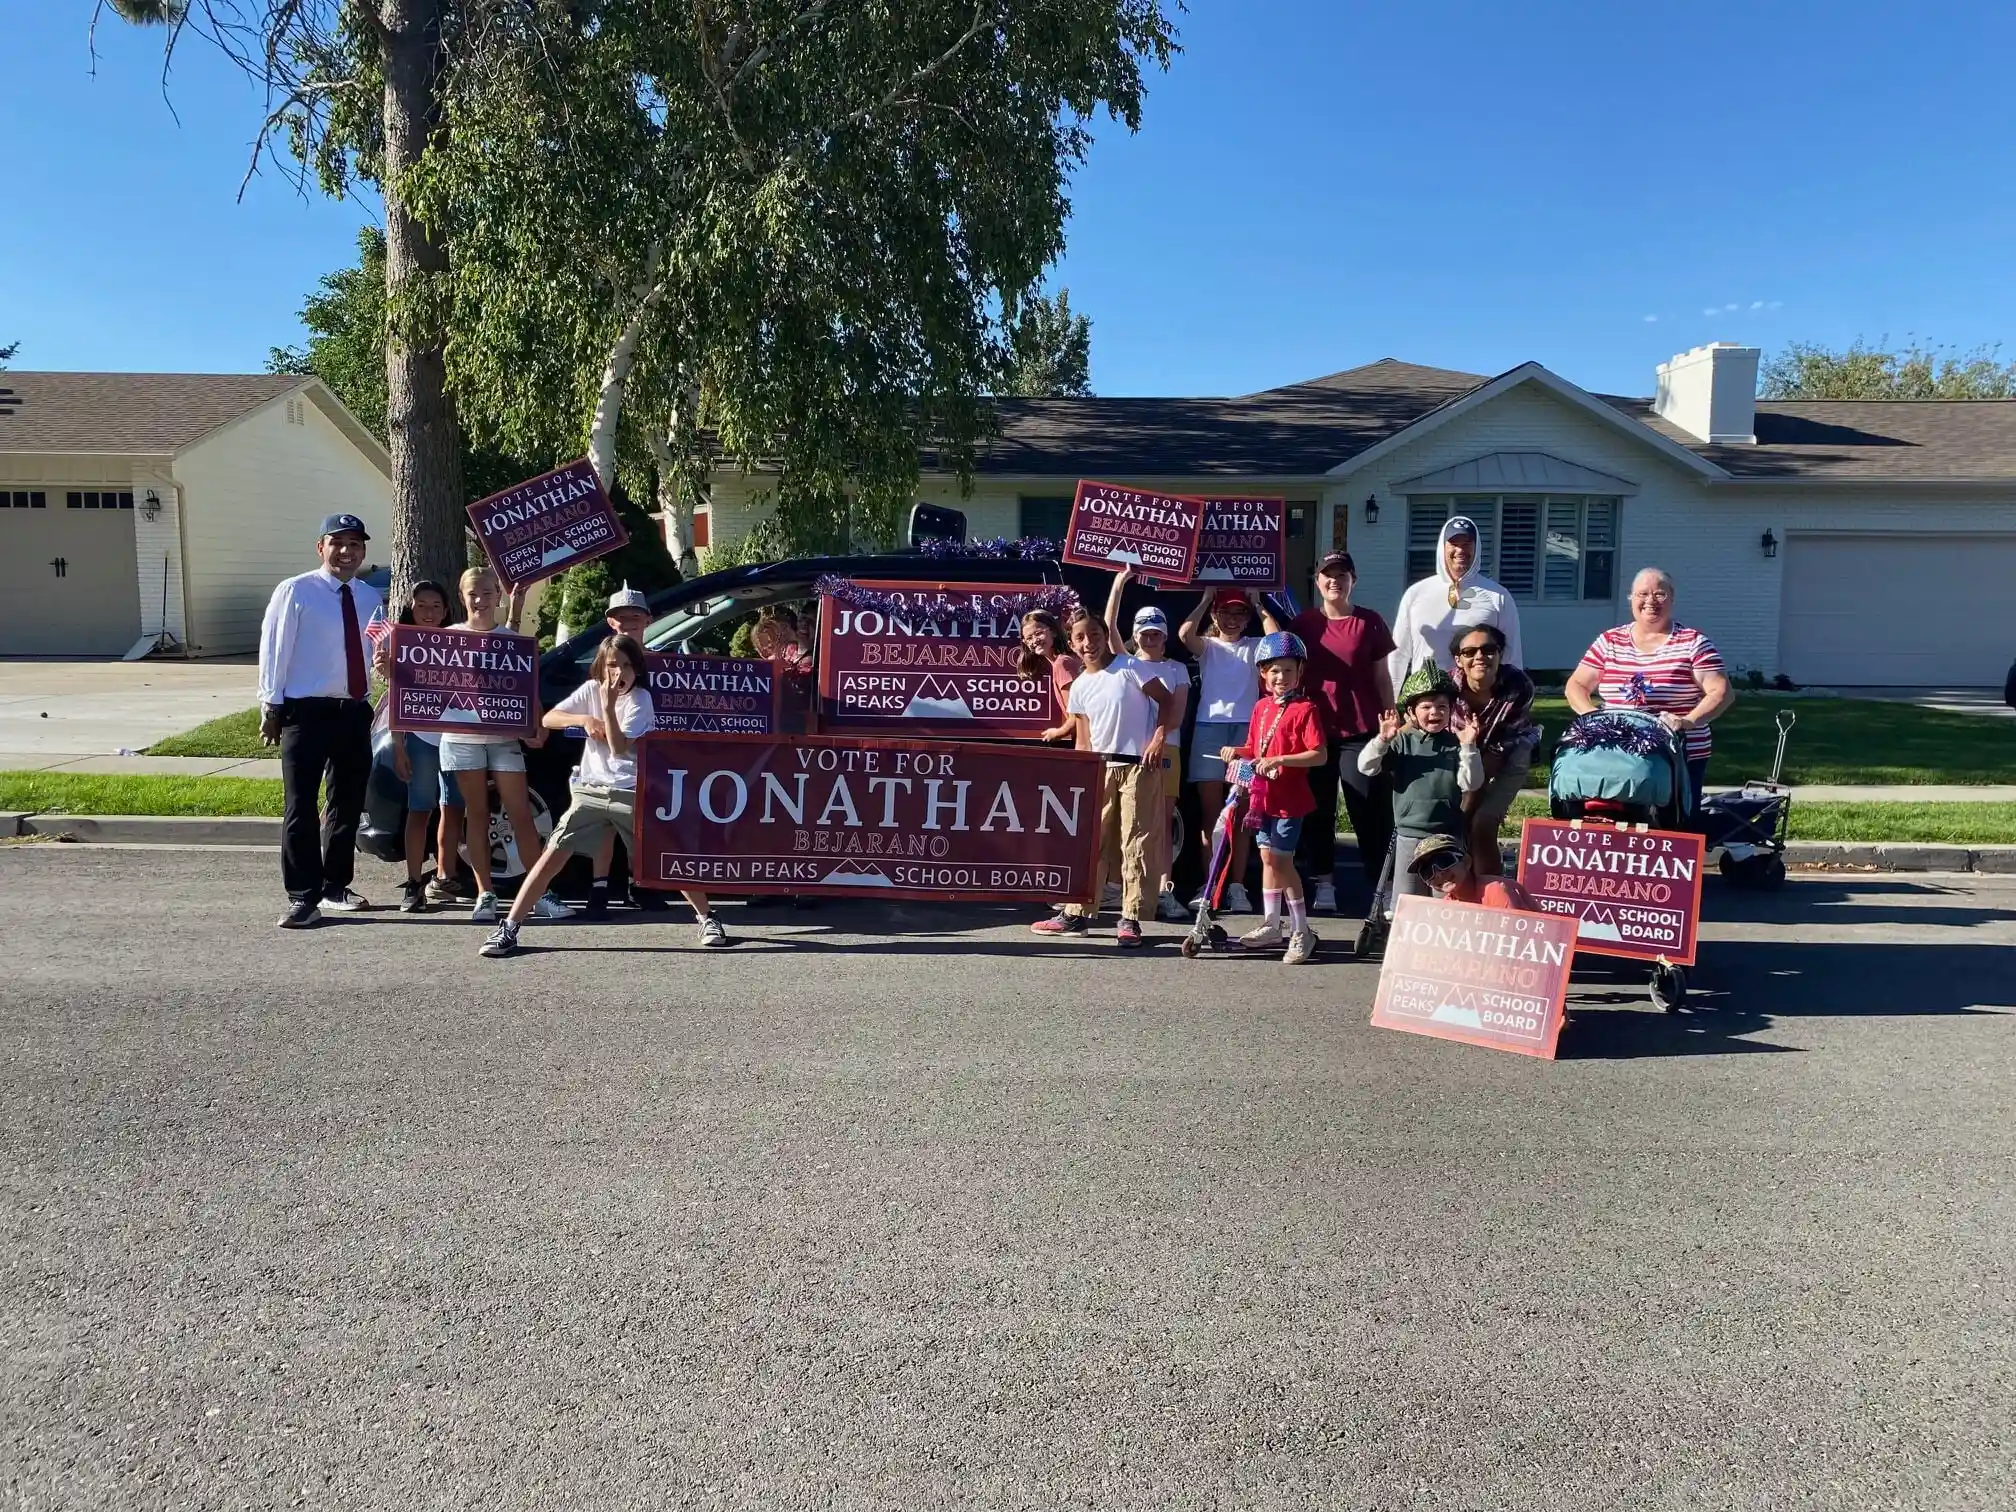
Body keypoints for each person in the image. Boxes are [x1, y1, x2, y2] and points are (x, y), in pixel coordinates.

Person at [481, 635, 727, 957]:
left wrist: (608, 708)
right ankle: (509, 928)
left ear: (637, 670)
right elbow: (548, 718)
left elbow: (618, 746)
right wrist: (583, 718)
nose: (619, 673)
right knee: (552, 855)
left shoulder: (641, 700)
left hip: (631, 793)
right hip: (590, 792)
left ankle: (708, 918)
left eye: (626, 665)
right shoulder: (589, 691)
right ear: (602, 667)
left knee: (667, 857)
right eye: (612, 665)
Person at [258, 512, 384, 928]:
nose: (347, 552)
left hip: (352, 712)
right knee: (300, 805)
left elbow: (374, 655)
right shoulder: (296, 591)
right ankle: (302, 893)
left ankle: (335, 886)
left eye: (355, 545)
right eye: (338, 544)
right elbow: (275, 648)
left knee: (346, 805)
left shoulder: (369, 598)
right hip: (304, 711)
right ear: (321, 548)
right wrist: (271, 705)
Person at [1030, 610, 1178, 948]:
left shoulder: (1130, 668)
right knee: (1090, 840)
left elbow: (1167, 702)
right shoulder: (1080, 685)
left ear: (1105, 634)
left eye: (1094, 635)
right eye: (1080, 637)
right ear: (1072, 642)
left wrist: (1158, 739)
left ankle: (1131, 917)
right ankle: (1076, 912)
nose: (1088, 643)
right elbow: (1083, 738)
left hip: (1138, 766)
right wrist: (1080, 773)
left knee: (1136, 841)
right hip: (1100, 767)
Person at [1263, 550, 1395, 915]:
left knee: (1368, 808)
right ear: (1317, 581)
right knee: (1316, 810)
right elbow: (1279, 657)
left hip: (1361, 729)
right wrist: (1259, 603)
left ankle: (1381, 888)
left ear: (1353, 580)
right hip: (1314, 731)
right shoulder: (1304, 623)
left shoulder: (1370, 622)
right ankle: (1324, 882)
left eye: (1342, 575)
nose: (1334, 581)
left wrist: (1391, 717)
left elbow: (1381, 676)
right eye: (1327, 575)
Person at [439, 566, 570, 925]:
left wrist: (536, 725)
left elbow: (525, 688)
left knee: (521, 815)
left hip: (504, 741)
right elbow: (425, 684)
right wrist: (389, 667)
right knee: (478, 815)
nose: (480, 600)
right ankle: (485, 894)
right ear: (462, 597)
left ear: (498, 595)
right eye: (472, 594)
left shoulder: (511, 640)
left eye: (486, 593)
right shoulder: (448, 638)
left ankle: (539, 893)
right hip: (462, 741)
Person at [1565, 567, 1734, 812]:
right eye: (1642, 594)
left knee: (1672, 829)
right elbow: (1576, 685)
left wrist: (1687, 721)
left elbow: (1721, 692)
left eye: (1659, 595)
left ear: (1672, 598)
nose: (1650, 602)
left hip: (1676, 756)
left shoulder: (1693, 642)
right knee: (1614, 824)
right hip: (1615, 753)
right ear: (1631, 599)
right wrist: (1592, 716)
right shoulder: (1610, 640)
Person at [1216, 631, 1327, 964]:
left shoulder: (1305, 709)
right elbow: (1256, 749)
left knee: (1281, 861)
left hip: (1289, 799)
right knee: (1267, 859)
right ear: (1263, 672)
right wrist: (1236, 751)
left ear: (1300, 672)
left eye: (1288, 671)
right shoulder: (1261, 707)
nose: (1281, 677)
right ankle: (1271, 923)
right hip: (1262, 798)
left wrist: (1282, 761)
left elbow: (1319, 754)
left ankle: (1301, 930)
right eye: (1274, 670)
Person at [1104, 567, 1192, 921]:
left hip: (1165, 749)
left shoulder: (1177, 669)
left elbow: (1177, 711)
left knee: (1161, 821)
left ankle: (1163, 889)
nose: (1149, 638)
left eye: (1156, 632)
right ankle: (1117, 887)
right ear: (1135, 635)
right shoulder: (1122, 661)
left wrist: (1158, 739)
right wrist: (1119, 582)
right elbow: (1109, 626)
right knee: (1118, 824)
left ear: (1165, 635)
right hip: (1125, 752)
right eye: (1144, 633)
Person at [1357, 662, 1485, 904]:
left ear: (1450, 711)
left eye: (1442, 706)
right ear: (1410, 713)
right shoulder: (1402, 742)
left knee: (1448, 898)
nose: (1434, 712)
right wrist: (1382, 740)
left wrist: (1469, 747)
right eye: (1426, 706)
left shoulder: (1456, 744)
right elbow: (1366, 767)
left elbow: (1471, 783)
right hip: (1409, 835)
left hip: (1447, 836)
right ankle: (1405, 941)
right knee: (1407, 901)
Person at [1178, 587, 1264, 913]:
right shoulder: (1209, 646)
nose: (1232, 619)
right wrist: (1204, 600)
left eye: (1240, 613)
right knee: (1211, 815)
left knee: (1241, 814)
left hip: (1245, 733)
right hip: (1209, 731)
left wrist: (1258, 604)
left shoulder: (1255, 647)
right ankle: (1210, 883)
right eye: (1226, 613)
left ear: (1247, 619)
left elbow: (1277, 637)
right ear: (1216, 616)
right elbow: (1186, 633)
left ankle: (1238, 887)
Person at [383, 580, 467, 912]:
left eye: (435, 606)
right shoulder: (401, 644)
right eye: (421, 605)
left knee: (454, 810)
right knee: (419, 810)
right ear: (411, 608)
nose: (428, 612)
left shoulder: (459, 642)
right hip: (420, 741)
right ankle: (414, 883)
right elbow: (395, 700)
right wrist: (399, 746)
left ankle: (447, 878)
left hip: (456, 741)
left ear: (446, 610)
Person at [587, 583, 662, 917]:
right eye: (621, 617)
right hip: (609, 759)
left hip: (658, 759)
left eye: (635, 615)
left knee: (643, 829)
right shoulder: (601, 663)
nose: (629, 621)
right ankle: (599, 891)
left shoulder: (668, 657)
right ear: (610, 622)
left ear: (648, 619)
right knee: (605, 826)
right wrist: (586, 720)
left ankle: (639, 886)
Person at [1386, 515, 1523, 691]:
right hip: (1429, 702)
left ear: (1477, 547)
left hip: (1476, 701)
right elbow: (1399, 653)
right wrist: (1391, 702)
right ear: (1443, 547)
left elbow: (1512, 656)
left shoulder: (1498, 596)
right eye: (1454, 543)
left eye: (1467, 544)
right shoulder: (1416, 593)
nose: (1460, 550)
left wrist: (1512, 701)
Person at [1448, 623, 1538, 877]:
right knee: (1450, 823)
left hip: (1509, 757)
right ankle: (1457, 887)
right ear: (1458, 659)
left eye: (1488, 649)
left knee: (1481, 823)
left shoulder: (1518, 686)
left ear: (1499, 654)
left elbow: (1499, 750)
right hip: (1458, 759)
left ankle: (1490, 895)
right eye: (1470, 652)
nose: (1480, 657)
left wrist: (1468, 804)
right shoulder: (1445, 687)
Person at [1406, 833, 1540, 911]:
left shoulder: (1495, 890)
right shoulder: (1447, 906)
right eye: (1426, 871)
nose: (1439, 873)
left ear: (1466, 862)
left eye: (1444, 861)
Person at [1017, 608, 1083, 743]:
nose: (1034, 640)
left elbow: (1077, 715)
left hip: (1088, 742)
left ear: (1053, 631)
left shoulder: (1062, 664)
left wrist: (1057, 733)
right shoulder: (1066, 660)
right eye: (1029, 638)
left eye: (1039, 633)